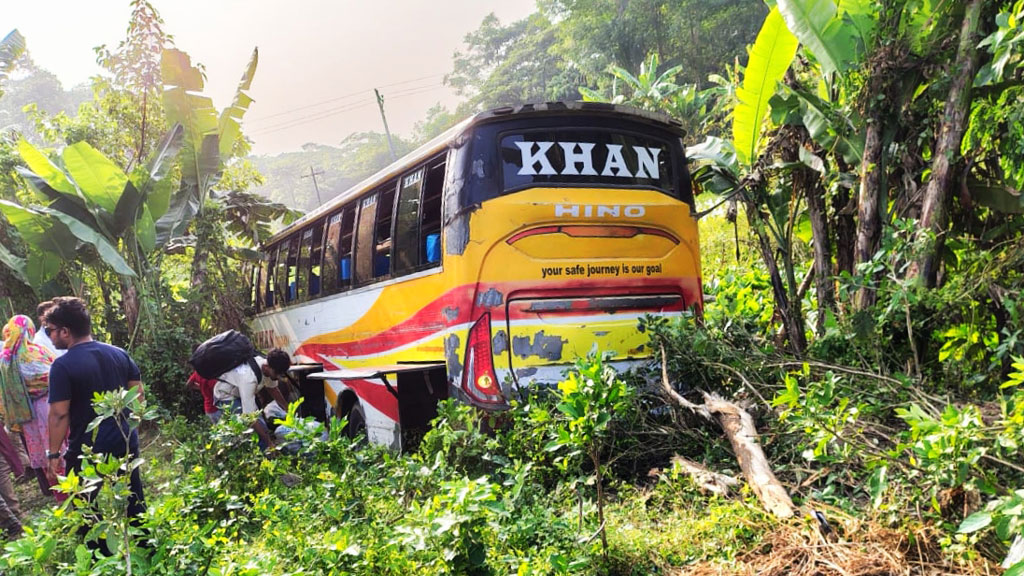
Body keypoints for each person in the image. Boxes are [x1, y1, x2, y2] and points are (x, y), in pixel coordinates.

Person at [44, 297, 146, 527]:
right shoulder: (119, 354)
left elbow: (59, 414)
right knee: (134, 498)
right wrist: (131, 430)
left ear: (65, 331)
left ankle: (96, 556)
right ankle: (145, 548)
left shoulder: (62, 366)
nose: (49, 336)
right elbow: (138, 396)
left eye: (51, 331)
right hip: (124, 439)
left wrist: (53, 455)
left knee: (86, 506)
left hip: (87, 448)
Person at [0, 314, 64, 501]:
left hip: (27, 414)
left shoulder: (7, 359)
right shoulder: (33, 353)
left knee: (43, 456)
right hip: (48, 407)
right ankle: (72, 491)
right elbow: (54, 375)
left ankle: (59, 494)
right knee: (58, 449)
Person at [212, 348, 292, 450]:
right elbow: (249, 418)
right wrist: (269, 443)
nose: (279, 377)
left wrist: (288, 410)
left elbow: (273, 389)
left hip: (241, 394)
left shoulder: (267, 367)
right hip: (225, 396)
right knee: (255, 432)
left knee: (262, 427)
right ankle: (262, 457)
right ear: (267, 367)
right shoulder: (249, 378)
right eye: (277, 374)